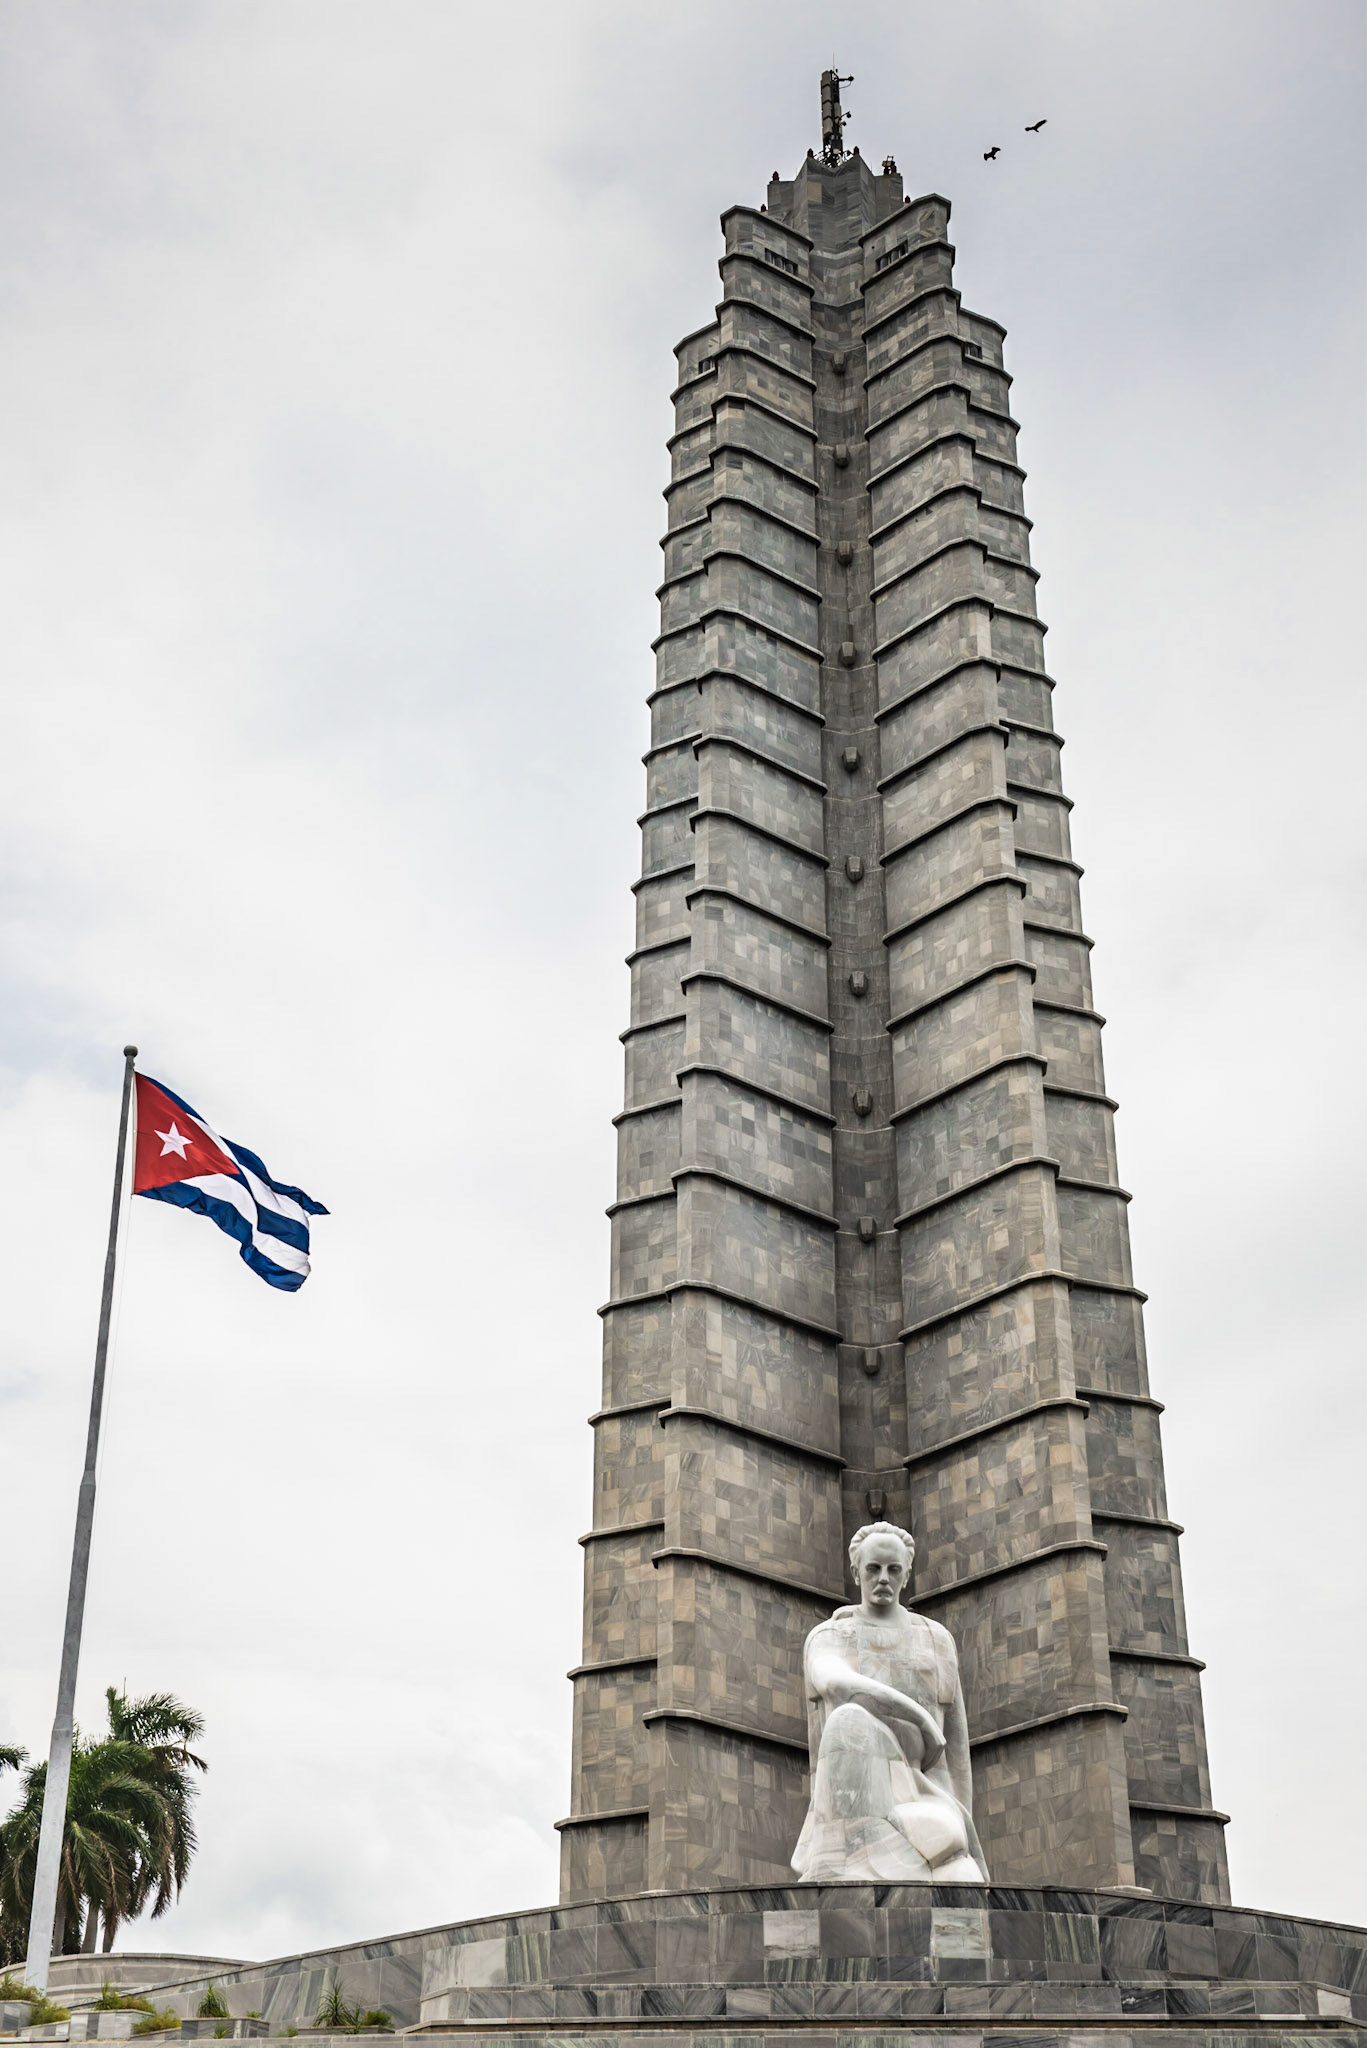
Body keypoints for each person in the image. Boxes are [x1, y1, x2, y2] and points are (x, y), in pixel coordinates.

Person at [791, 1521, 988, 1883]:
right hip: (853, 1799)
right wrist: (918, 1718)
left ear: (906, 1573)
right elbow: (834, 1681)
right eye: (873, 1568)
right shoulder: (831, 1635)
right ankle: (841, 1866)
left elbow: (956, 1753)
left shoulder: (936, 1640)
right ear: (856, 1572)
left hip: (922, 1792)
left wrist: (962, 1822)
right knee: (849, 1718)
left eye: (893, 1569)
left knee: (962, 1876)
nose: (883, 1578)